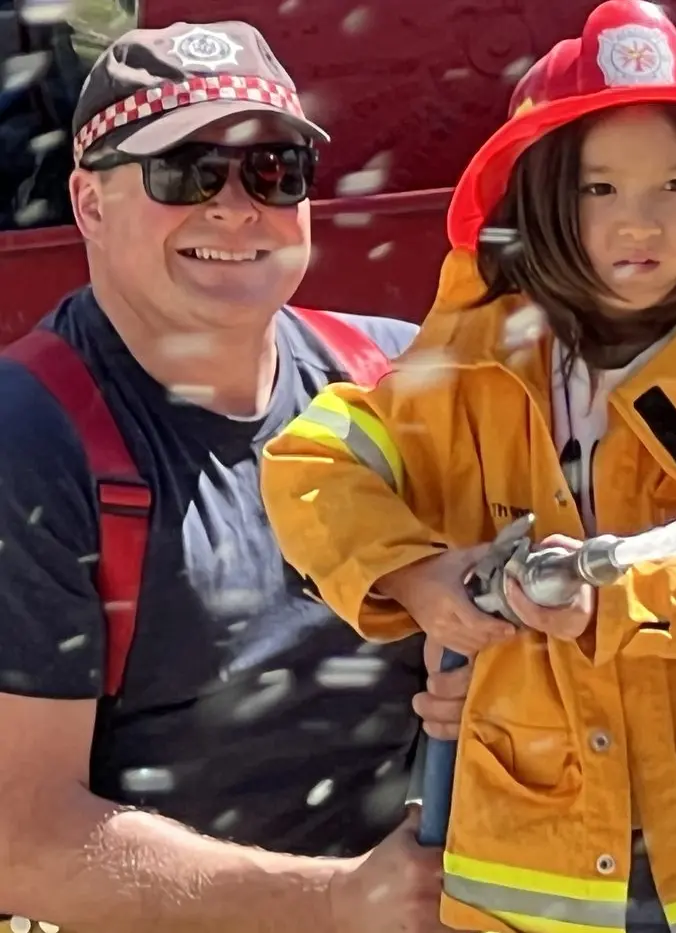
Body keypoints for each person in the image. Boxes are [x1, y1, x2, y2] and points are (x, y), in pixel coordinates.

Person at [260, 1, 676, 931]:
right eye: (598, 189)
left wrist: (608, 598)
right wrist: (416, 571)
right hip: (548, 868)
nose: (637, 223)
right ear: (537, 196)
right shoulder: (475, 357)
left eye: (675, 187)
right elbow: (313, 459)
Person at [0, 20, 467, 933]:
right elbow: (21, 838)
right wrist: (338, 901)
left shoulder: (398, 378)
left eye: (273, 171)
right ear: (88, 205)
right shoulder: (28, 443)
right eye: (187, 172)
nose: (235, 207)